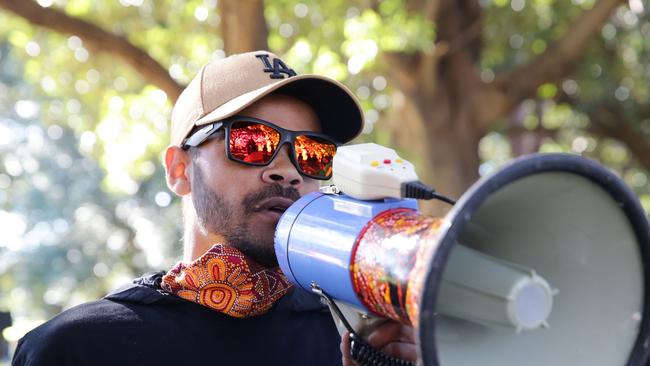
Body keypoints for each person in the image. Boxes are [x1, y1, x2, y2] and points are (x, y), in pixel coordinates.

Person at [13, 51, 416, 366]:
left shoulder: (359, 338)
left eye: (311, 153)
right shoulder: (77, 349)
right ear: (179, 169)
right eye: (251, 142)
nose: (288, 171)